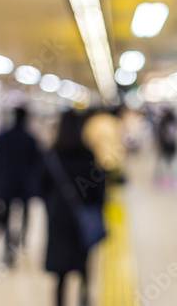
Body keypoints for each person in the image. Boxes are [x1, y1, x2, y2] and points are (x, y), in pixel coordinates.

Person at [41, 111, 106, 306]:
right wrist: (96, 208)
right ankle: (84, 298)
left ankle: (60, 301)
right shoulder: (87, 154)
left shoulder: (51, 154)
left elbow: (41, 186)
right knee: (83, 261)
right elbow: (98, 187)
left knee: (61, 268)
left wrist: (52, 205)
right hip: (83, 216)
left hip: (59, 217)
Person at [0, 107, 40, 265]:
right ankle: (22, 240)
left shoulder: (3, 137)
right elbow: (37, 165)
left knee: (7, 214)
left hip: (6, 184)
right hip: (25, 184)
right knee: (25, 213)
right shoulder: (30, 138)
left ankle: (8, 246)